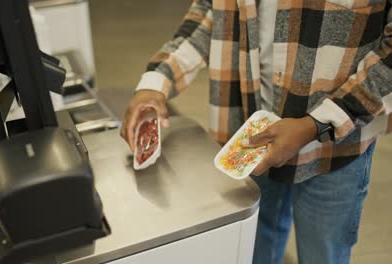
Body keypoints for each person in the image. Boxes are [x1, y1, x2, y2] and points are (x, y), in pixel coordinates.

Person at [121, 1, 392, 263]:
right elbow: (211, 10)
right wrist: (156, 81)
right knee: (254, 249)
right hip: (251, 132)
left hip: (336, 150)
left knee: (323, 254)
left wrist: (318, 124)